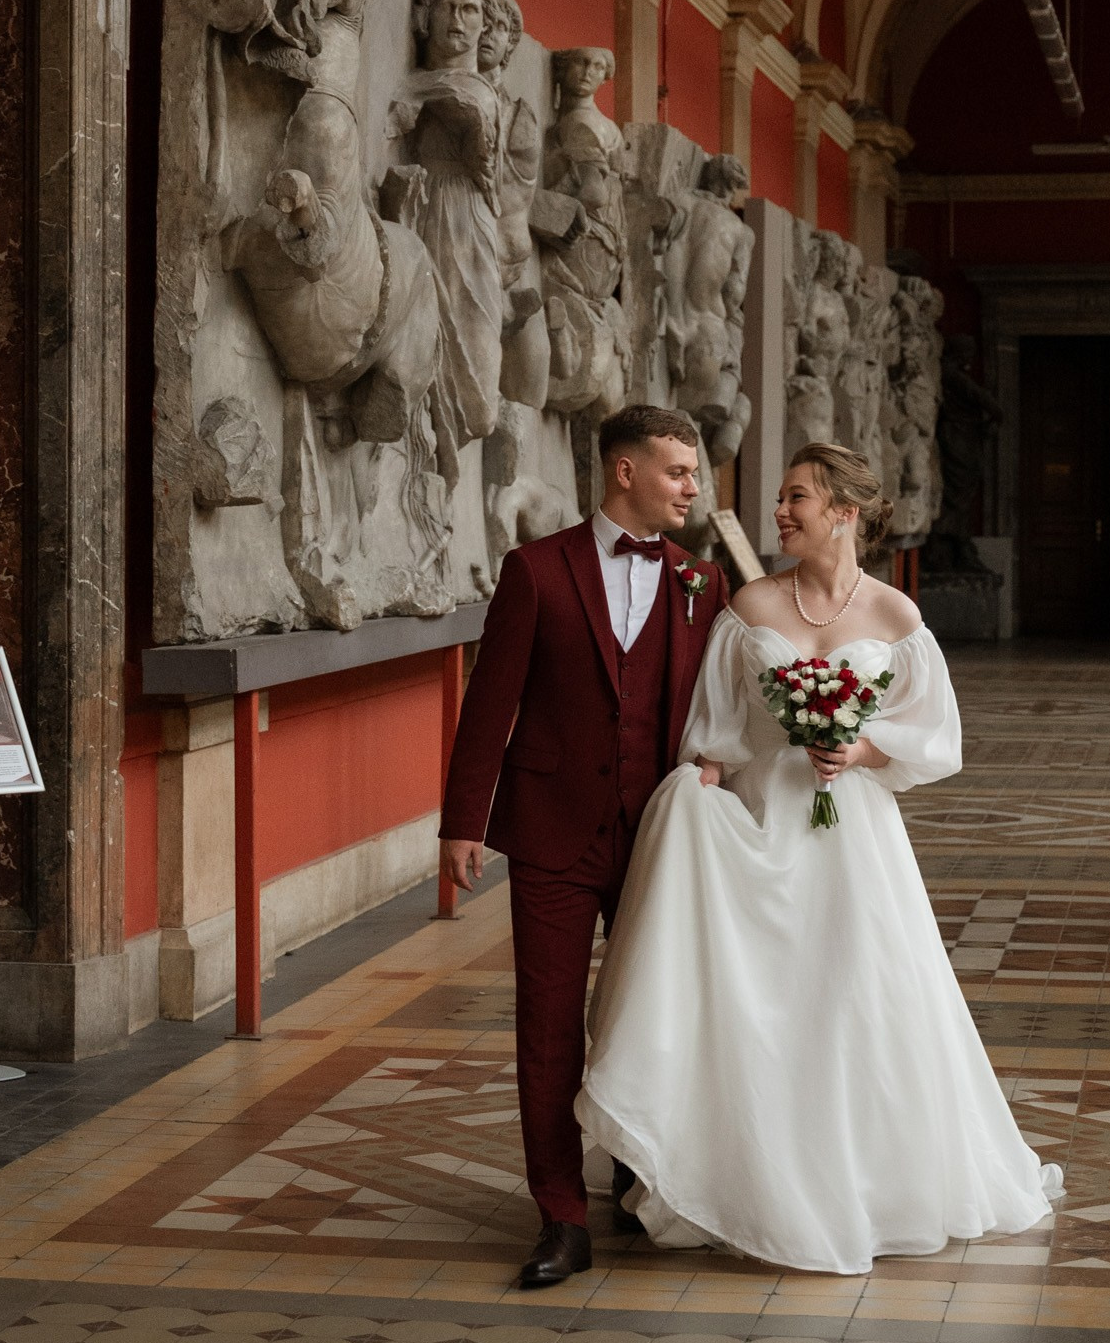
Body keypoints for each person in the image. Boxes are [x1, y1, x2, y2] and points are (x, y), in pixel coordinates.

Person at [577, 440, 1061, 1275]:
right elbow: (718, 726)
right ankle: (748, 1175)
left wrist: (861, 750)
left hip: (853, 842)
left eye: (797, 497)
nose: (780, 512)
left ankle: (866, 1182)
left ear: (844, 511)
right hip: (763, 827)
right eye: (780, 499)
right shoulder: (751, 604)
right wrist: (705, 775)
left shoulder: (896, 617)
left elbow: (937, 737)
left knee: (854, 1002)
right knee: (767, 1005)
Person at [440, 404, 728, 1287]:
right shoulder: (536, 570)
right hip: (553, 833)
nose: (693, 486)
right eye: (678, 470)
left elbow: (717, 714)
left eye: (694, 471)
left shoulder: (702, 584)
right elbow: (491, 702)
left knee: (655, 1015)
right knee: (550, 1024)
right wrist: (462, 822)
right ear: (624, 471)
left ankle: (642, 1180)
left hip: (663, 839)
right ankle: (561, 1215)